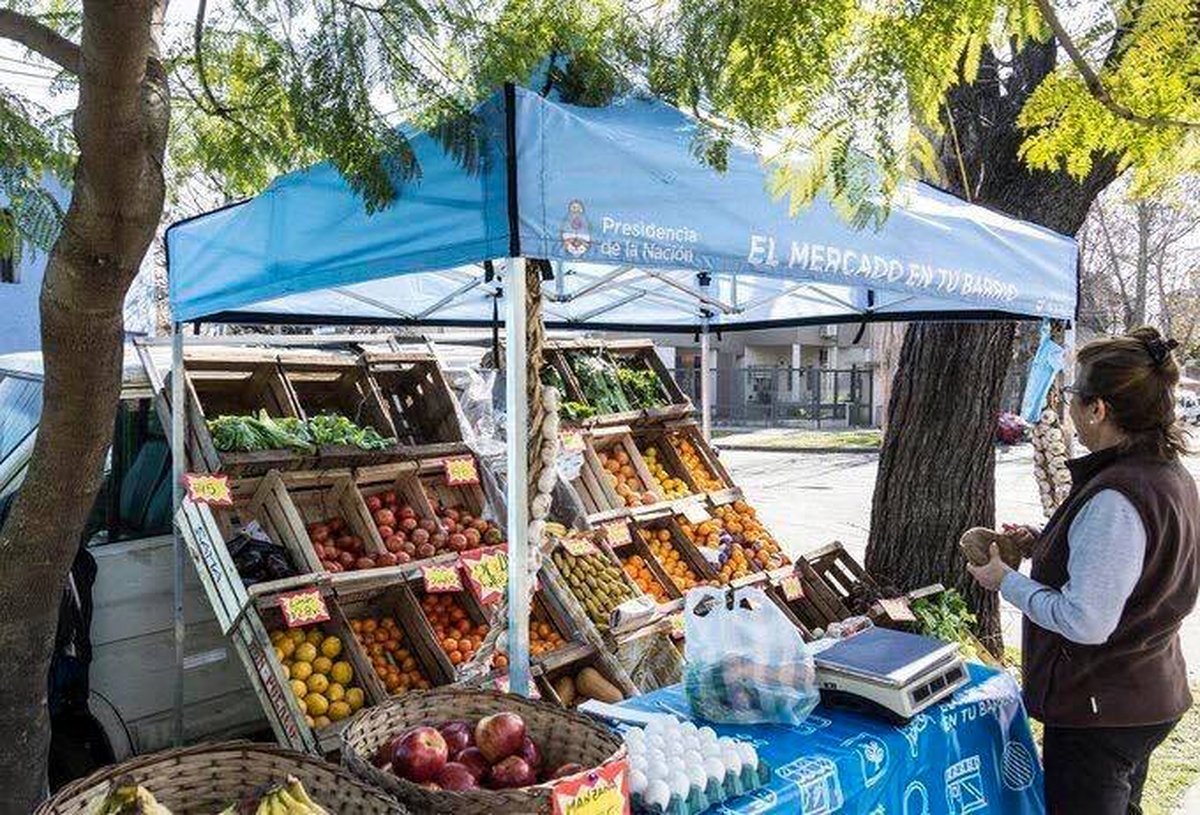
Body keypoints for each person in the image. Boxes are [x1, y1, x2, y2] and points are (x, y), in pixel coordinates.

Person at [968, 327, 1199, 815]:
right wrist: (1044, 541)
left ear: (1099, 410)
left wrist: (1004, 581)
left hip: (1103, 706)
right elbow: (1133, 570)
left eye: (1074, 395)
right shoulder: (1167, 474)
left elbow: (1086, 621)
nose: (1069, 406)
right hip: (1144, 691)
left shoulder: (1118, 494)